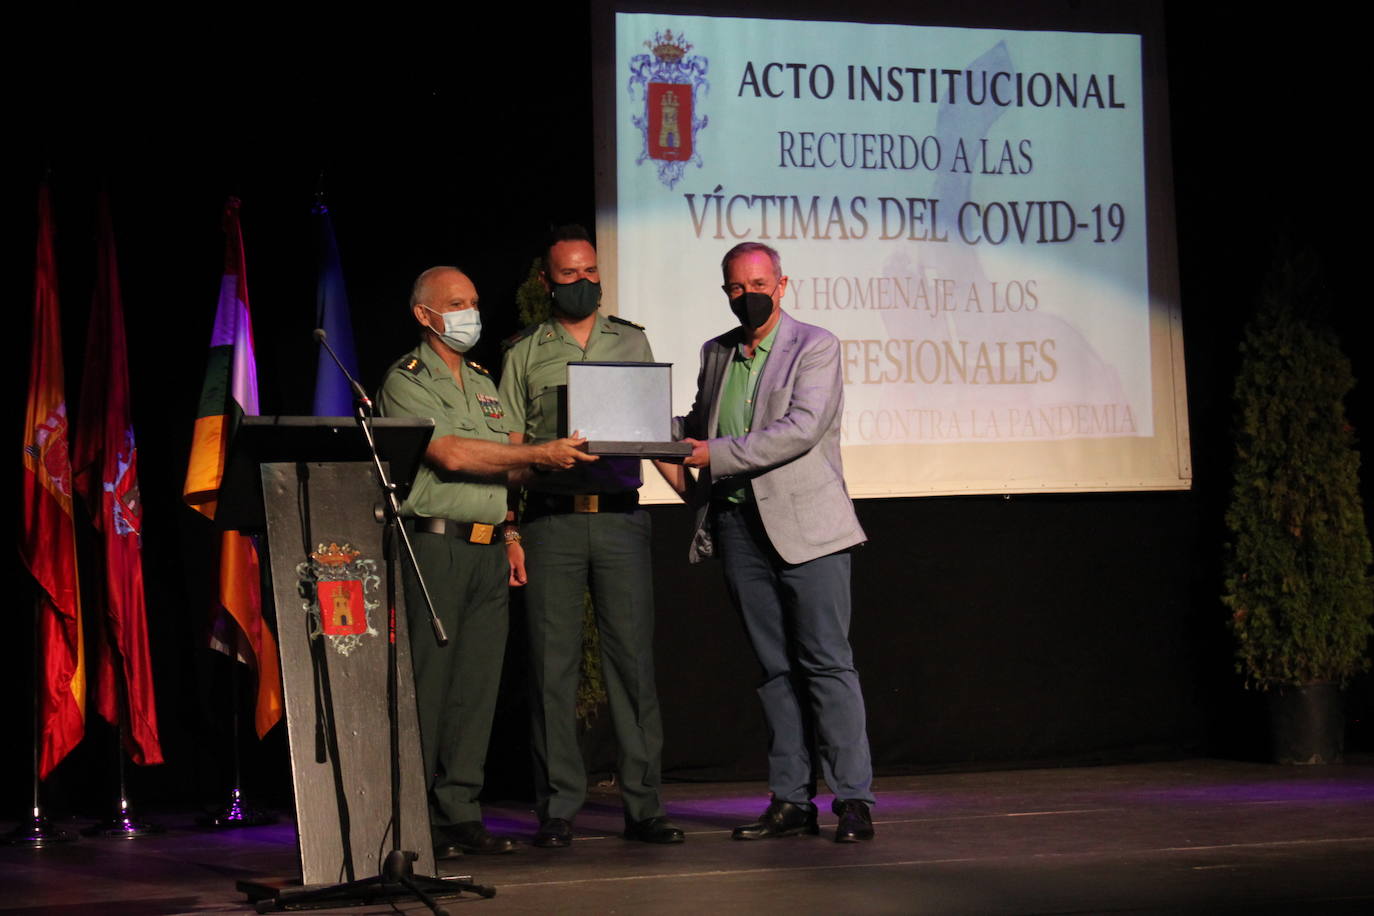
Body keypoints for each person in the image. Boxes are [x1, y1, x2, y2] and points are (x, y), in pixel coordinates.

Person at [378, 266, 596, 859]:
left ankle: (460, 814)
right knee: (430, 683)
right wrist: (536, 454)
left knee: (476, 687)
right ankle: (410, 817)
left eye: (474, 301)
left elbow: (509, 463)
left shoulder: (482, 380)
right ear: (425, 315)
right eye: (456, 303)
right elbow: (449, 454)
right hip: (435, 544)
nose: (470, 312)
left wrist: (522, 516)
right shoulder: (407, 379)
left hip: (487, 546)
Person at [674, 241, 876, 843]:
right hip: (739, 528)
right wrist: (639, 426)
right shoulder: (716, 352)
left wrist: (715, 454)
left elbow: (802, 429)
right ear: (726, 292)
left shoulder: (816, 345)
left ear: (782, 285)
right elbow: (698, 421)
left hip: (809, 530)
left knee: (826, 662)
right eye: (736, 287)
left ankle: (853, 799)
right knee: (772, 668)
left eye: (759, 283)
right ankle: (791, 798)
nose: (748, 295)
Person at [499, 226, 683, 847]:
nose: (583, 283)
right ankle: (557, 808)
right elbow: (505, 449)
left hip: (618, 518)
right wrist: (509, 530)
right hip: (550, 523)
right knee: (552, 668)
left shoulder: (631, 342)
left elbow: (657, 426)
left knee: (633, 662)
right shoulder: (525, 352)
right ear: (548, 282)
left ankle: (644, 806)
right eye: (570, 274)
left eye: (591, 272)